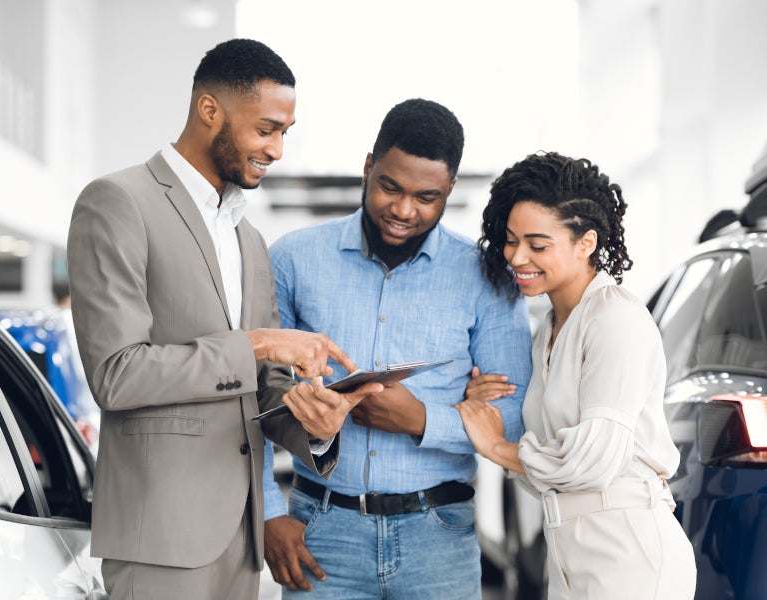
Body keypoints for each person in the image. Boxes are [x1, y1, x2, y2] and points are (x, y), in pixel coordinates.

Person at [66, 39, 381, 600]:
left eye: (285, 132)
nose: (278, 149)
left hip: (240, 542)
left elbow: (258, 393)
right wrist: (258, 343)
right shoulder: (117, 201)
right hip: (159, 539)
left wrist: (316, 424)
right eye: (266, 129)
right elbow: (117, 374)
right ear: (210, 110)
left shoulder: (248, 238)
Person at [260, 98, 533, 599]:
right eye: (390, 186)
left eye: (426, 196)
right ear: (368, 167)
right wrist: (268, 513)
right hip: (320, 533)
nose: (404, 210)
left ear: (450, 189)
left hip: (439, 538)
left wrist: (420, 419)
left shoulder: (487, 278)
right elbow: (251, 397)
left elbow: (514, 417)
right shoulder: (292, 260)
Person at [456, 151, 697, 599]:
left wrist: (494, 445)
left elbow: (591, 462)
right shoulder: (549, 328)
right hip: (568, 551)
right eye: (510, 240)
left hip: (628, 552)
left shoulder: (614, 318)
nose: (517, 256)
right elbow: (546, 473)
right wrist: (483, 405)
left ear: (586, 242)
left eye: (537, 244)